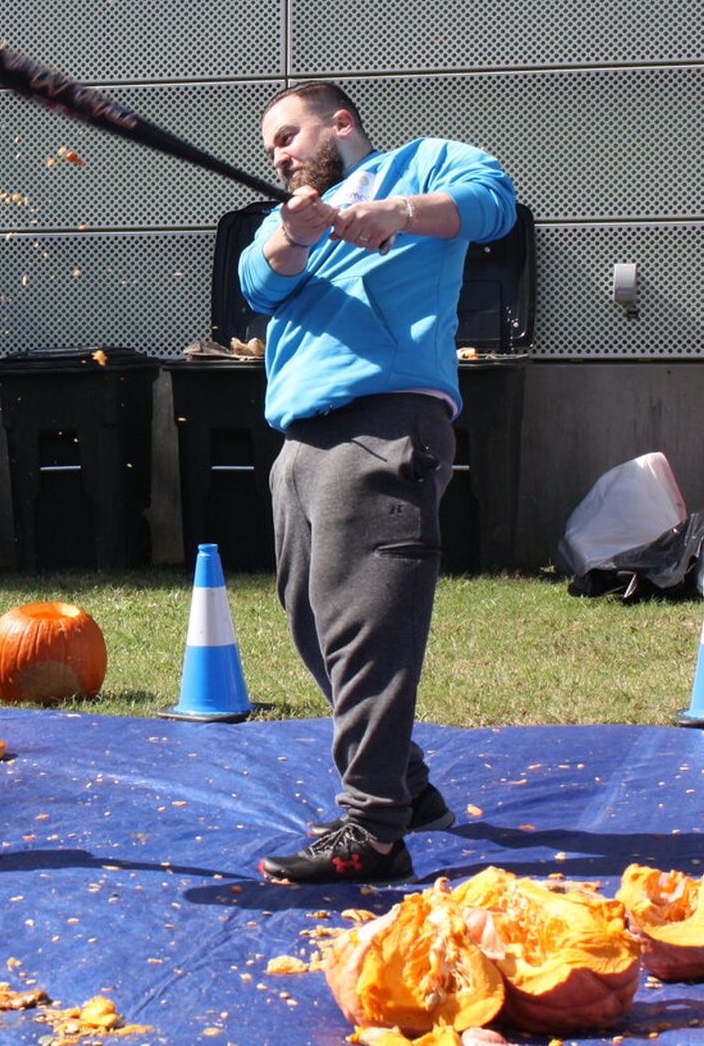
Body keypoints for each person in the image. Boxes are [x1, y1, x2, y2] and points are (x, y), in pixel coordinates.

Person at [239, 82, 517, 884]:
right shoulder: (291, 210)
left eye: (289, 135)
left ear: (341, 122)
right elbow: (263, 283)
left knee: (366, 629)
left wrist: (395, 214)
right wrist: (291, 235)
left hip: (383, 423)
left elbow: (494, 202)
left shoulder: (422, 163)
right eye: (271, 150)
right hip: (299, 438)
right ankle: (410, 788)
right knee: (315, 627)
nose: (281, 154)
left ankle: (373, 829)